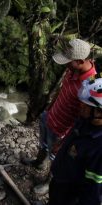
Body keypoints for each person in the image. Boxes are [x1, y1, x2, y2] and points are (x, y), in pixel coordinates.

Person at [22, 38, 97, 194]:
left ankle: (48, 183)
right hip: (51, 116)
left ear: (81, 61)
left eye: (69, 62)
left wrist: (65, 139)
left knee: (57, 158)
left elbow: (83, 119)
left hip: (62, 130)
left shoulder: (91, 86)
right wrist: (49, 109)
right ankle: (38, 162)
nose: (66, 65)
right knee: (43, 144)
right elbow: (62, 90)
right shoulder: (73, 70)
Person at [48, 75, 102, 205]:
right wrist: (61, 143)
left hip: (70, 193)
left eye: (85, 106)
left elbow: (93, 189)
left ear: (99, 112)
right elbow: (73, 132)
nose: (80, 107)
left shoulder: (99, 147)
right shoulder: (86, 120)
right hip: (60, 178)